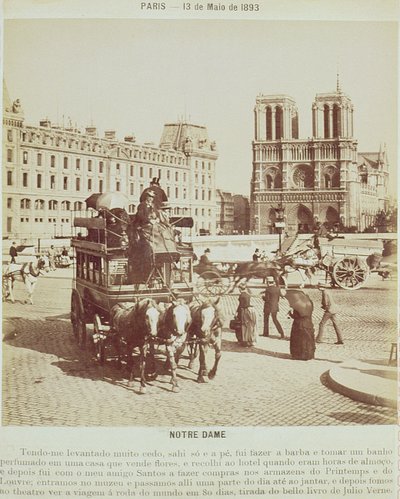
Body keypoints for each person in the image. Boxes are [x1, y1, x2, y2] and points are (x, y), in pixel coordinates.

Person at [284, 289, 315, 360]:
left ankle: (298, 355)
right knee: (308, 339)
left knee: (298, 340)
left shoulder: (297, 305)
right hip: (309, 323)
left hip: (299, 324)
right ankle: (309, 355)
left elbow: (296, 317)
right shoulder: (310, 303)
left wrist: (290, 314)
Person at [236, 283, 257, 347]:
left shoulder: (241, 295)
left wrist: (236, 312)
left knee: (243, 326)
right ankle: (249, 340)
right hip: (248, 311)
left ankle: (243, 341)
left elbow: (240, 305)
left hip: (243, 312)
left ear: (240, 288)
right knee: (249, 327)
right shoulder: (248, 294)